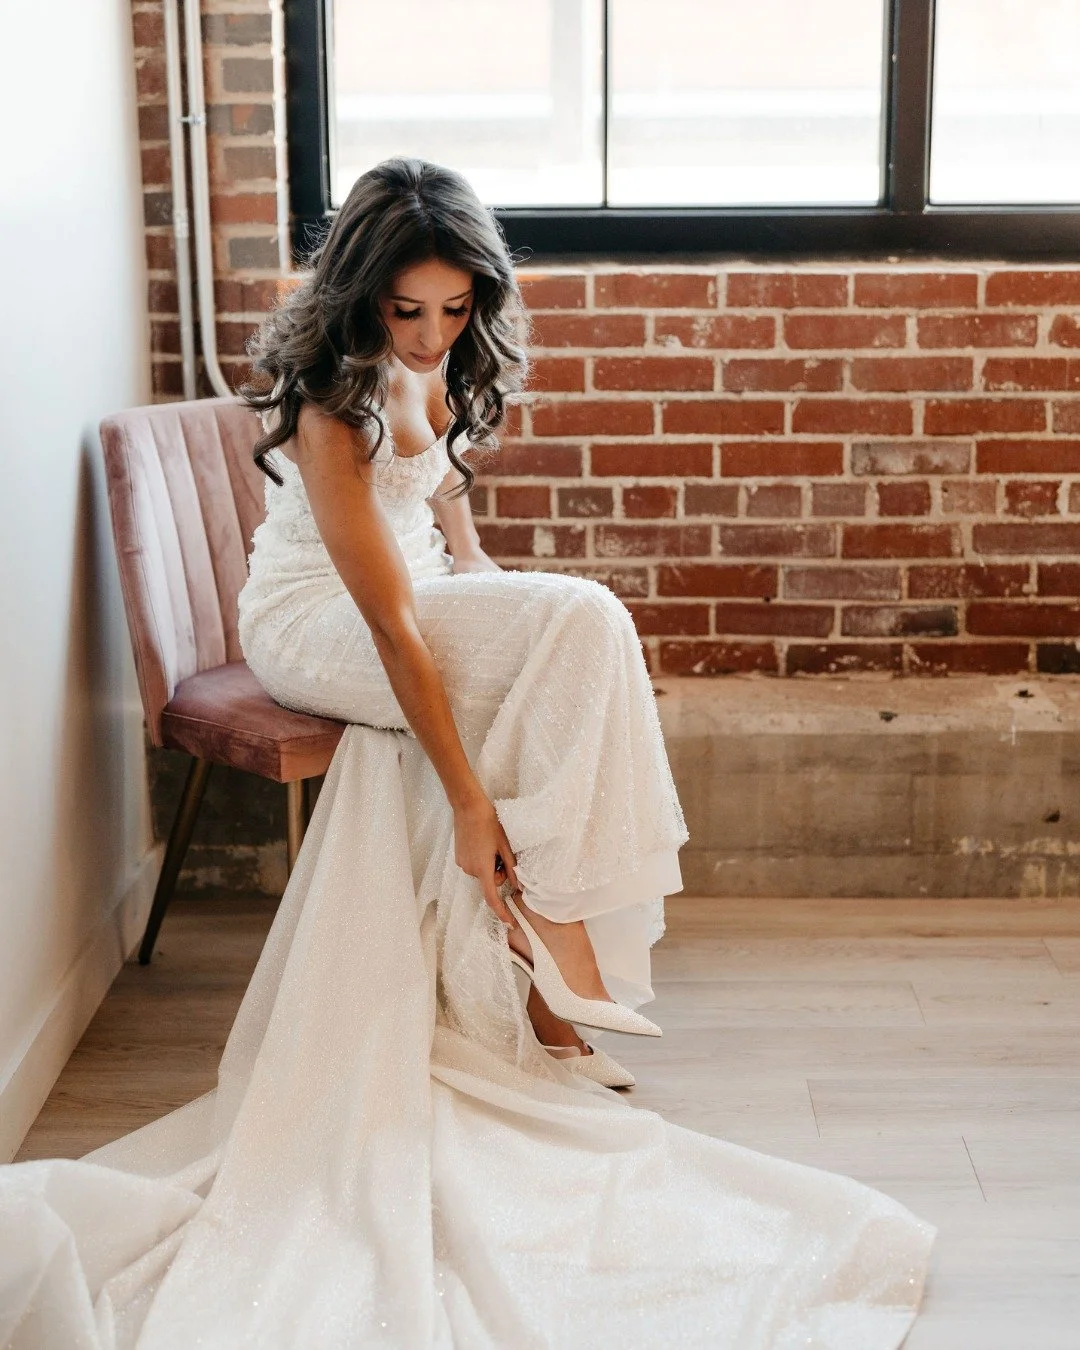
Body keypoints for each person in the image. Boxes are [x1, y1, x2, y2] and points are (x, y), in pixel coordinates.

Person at [0, 159, 934, 1347]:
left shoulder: (444, 372)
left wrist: (513, 621)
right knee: (581, 618)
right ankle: (559, 956)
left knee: (574, 629)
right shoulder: (331, 403)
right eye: (408, 310)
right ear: (360, 294)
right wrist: (471, 799)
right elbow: (391, 625)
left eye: (455, 308)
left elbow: (459, 551)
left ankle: (545, 954)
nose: (433, 334)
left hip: (413, 600)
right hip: (314, 626)